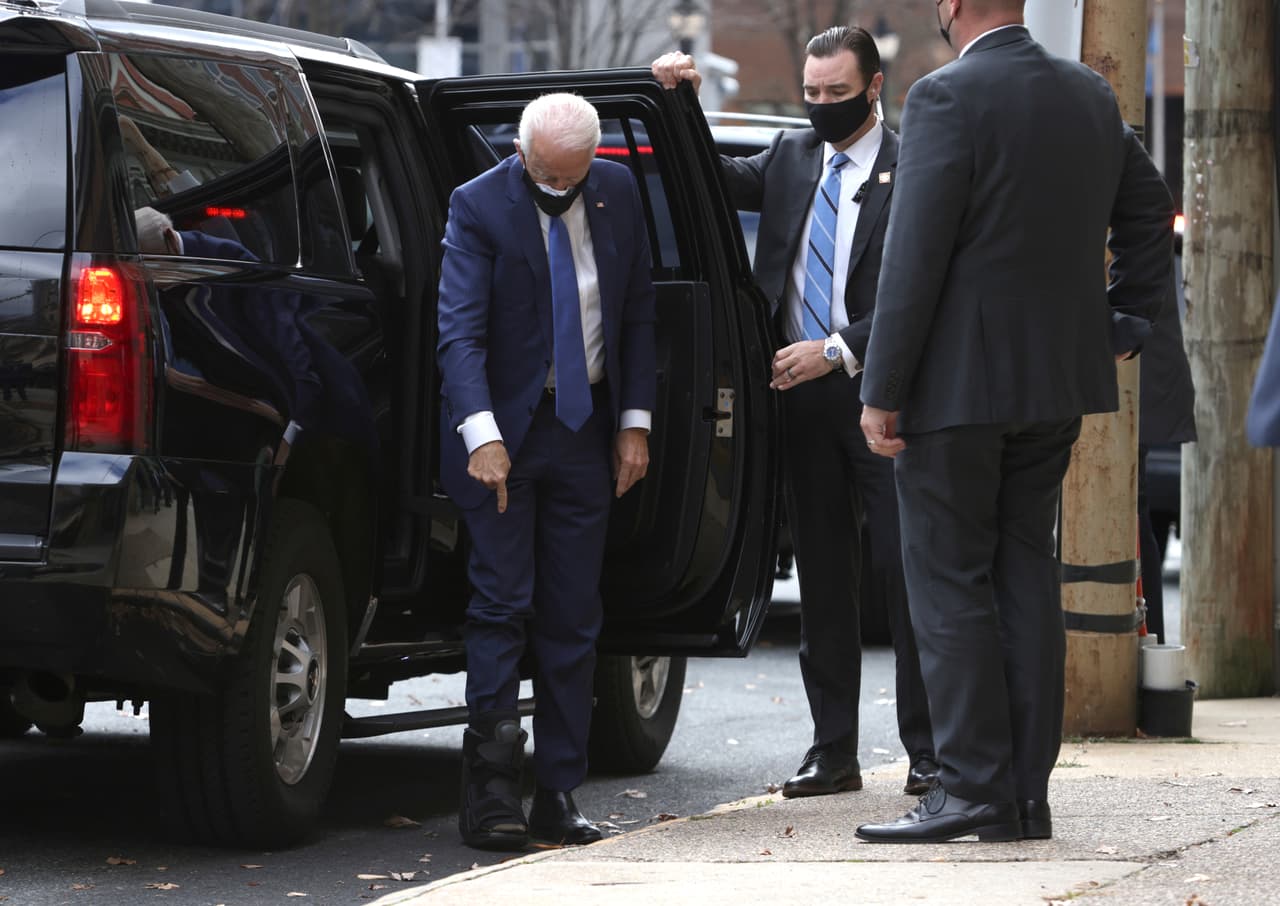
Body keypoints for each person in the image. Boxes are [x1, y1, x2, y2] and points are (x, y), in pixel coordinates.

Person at [855, 0, 1173, 844]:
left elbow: (914, 253)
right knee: (1025, 574)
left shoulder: (943, 98)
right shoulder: (1088, 96)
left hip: (956, 391)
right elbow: (1150, 207)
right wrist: (1122, 319)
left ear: (955, 6)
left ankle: (971, 791)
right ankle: (1023, 798)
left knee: (950, 583)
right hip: (1053, 387)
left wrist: (879, 388)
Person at [653, 26, 937, 802]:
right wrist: (676, 105)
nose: (819, 108)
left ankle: (929, 753)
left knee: (905, 581)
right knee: (824, 579)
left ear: (873, 89)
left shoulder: (915, 170)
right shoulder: (789, 157)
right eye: (811, 94)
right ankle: (832, 751)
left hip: (882, 395)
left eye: (835, 96)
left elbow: (925, 297)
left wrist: (838, 349)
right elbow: (702, 178)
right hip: (797, 403)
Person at [435, 93, 656, 850]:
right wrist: (480, 434)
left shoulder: (619, 192)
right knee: (501, 606)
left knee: (573, 614)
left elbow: (637, 311)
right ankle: (491, 792)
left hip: (586, 429)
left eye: (569, 176)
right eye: (541, 172)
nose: (554, 188)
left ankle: (558, 792)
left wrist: (634, 423)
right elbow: (458, 333)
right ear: (521, 151)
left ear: (592, 162)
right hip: (504, 436)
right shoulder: (478, 206)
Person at [1137, 256, 1195, 643]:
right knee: (1136, 519)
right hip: (1138, 375)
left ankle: (1149, 655)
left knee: (1133, 520)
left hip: (1130, 375)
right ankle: (1150, 654)